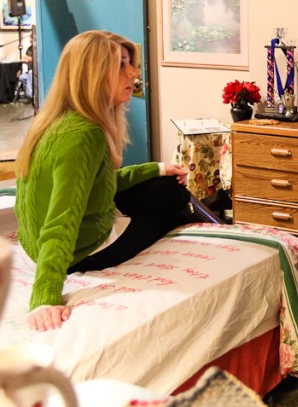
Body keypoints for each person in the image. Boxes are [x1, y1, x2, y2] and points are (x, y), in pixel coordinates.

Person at [14, 30, 214, 332]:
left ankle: (185, 207)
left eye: (130, 64)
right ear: (92, 74)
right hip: (79, 252)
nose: (133, 73)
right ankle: (202, 225)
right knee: (173, 199)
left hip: (37, 244)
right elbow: (62, 219)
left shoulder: (57, 122)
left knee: (164, 186)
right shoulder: (84, 135)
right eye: (121, 65)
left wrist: (157, 169)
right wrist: (45, 294)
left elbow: (96, 183)